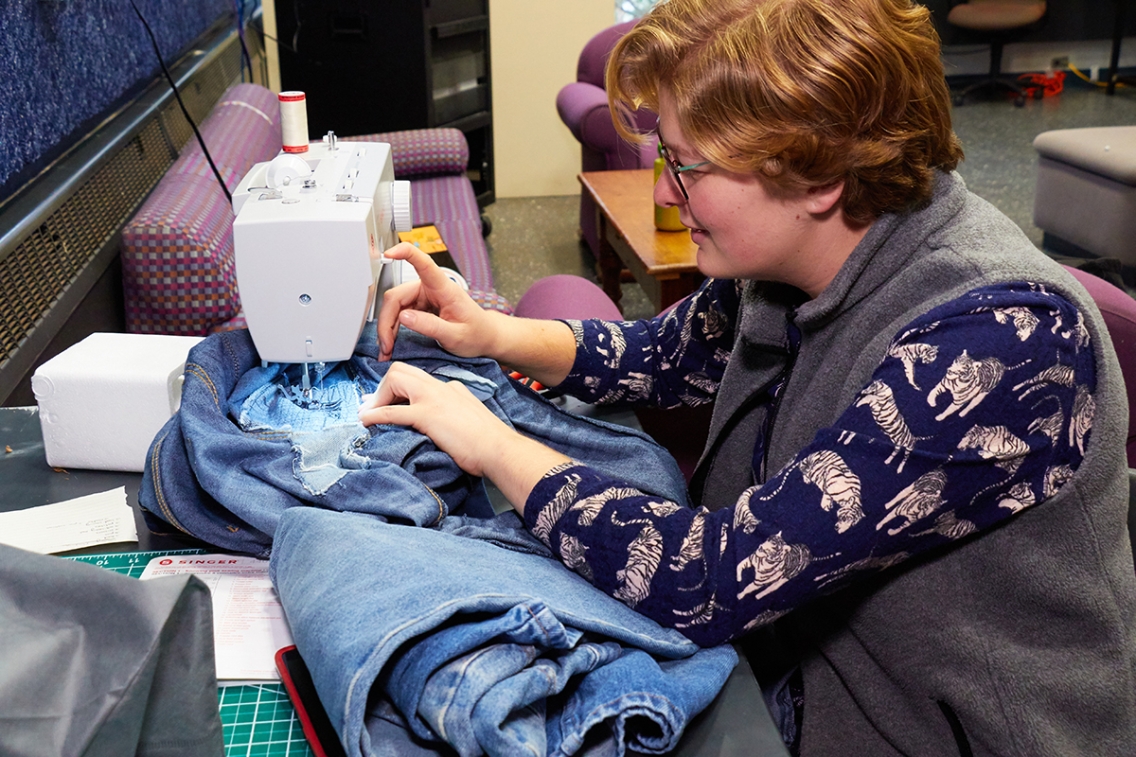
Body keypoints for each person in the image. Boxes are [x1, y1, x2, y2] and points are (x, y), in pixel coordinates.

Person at [359, 0, 1136, 753]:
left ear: (819, 172)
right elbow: (659, 357)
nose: (665, 190)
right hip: (780, 673)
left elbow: (712, 576)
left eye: (685, 164)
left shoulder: (1005, 342)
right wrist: (490, 332)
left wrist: (489, 441)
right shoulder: (795, 257)